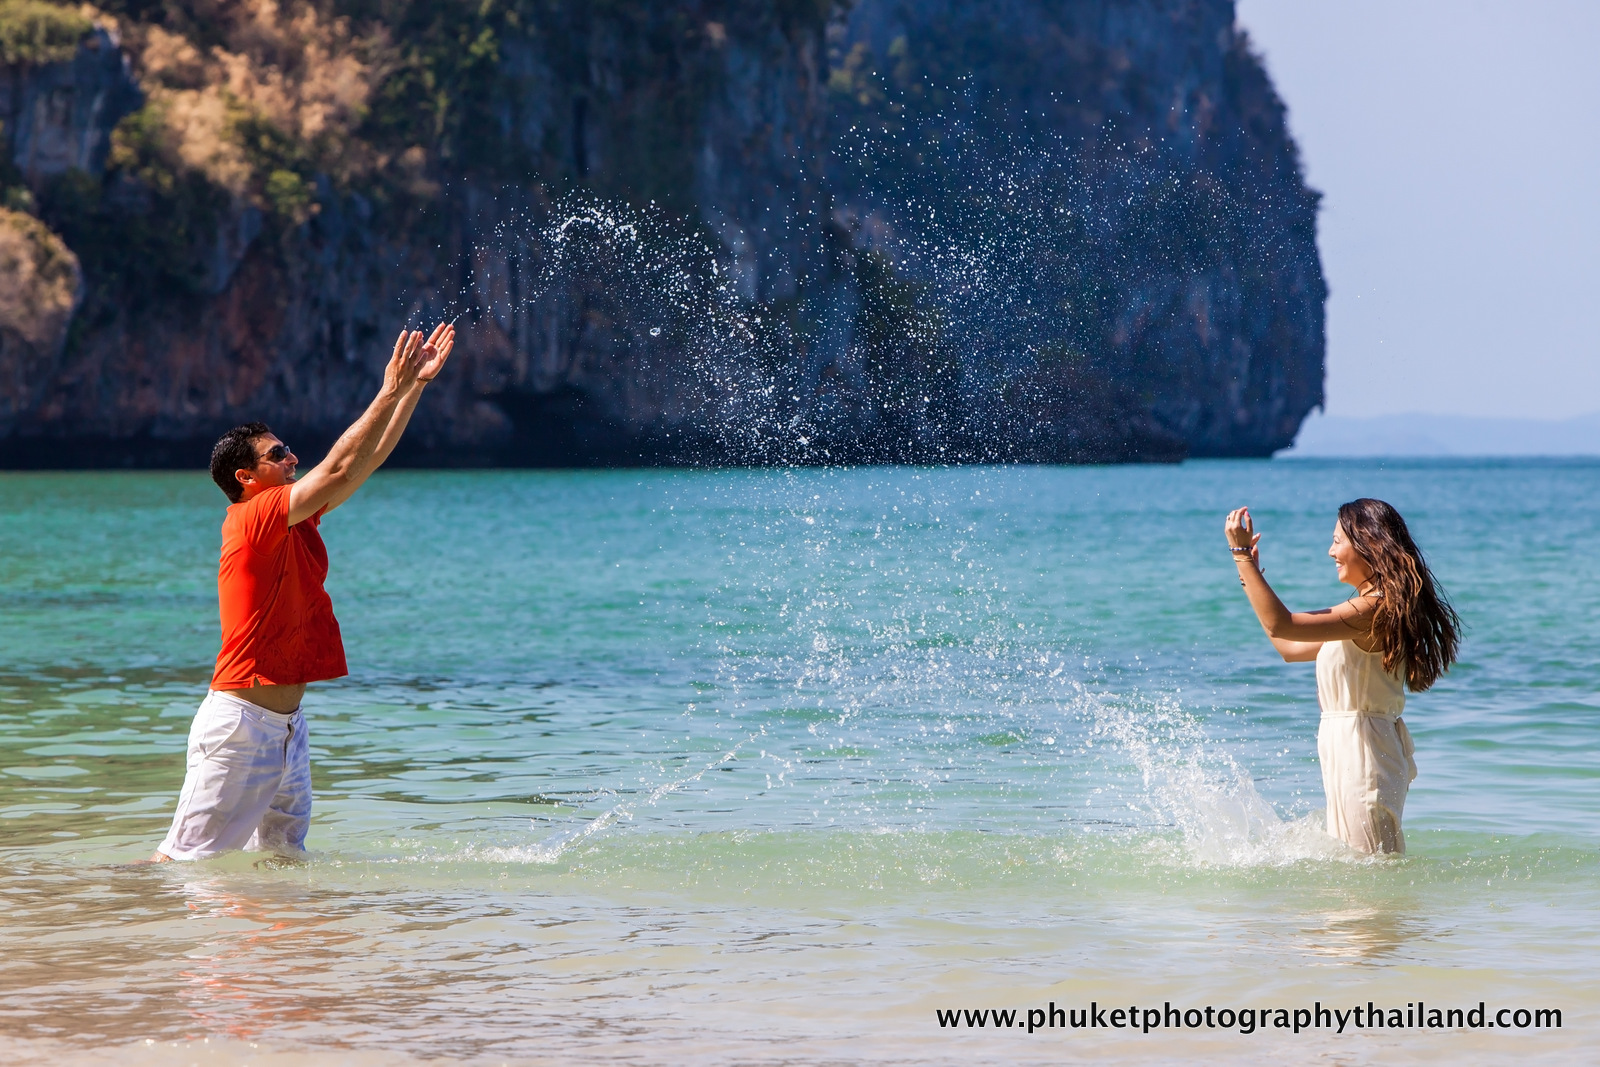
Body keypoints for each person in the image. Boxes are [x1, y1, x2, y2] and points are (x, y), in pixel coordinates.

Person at [151, 322, 456, 861]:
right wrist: (389, 387)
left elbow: (359, 467)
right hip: (239, 726)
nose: (293, 458)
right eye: (279, 453)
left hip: (287, 729)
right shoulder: (253, 517)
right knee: (182, 864)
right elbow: (337, 466)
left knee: (283, 868)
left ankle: (277, 950)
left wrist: (413, 389)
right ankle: (97, 910)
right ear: (246, 477)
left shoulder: (291, 522)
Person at [1225, 499, 1459, 855]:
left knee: (1368, 881)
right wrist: (1249, 576)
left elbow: (1282, 623)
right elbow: (1287, 645)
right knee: (1363, 878)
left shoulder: (1373, 608)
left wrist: (1241, 554)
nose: (1330, 551)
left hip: (1363, 751)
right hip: (1355, 747)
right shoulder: (1365, 610)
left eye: (1337, 540)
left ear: (1368, 543)